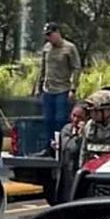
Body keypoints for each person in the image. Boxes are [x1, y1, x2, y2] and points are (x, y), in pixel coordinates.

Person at [33, 22, 82, 155]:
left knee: (61, 119)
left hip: (63, 89)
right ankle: (49, 147)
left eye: (50, 34)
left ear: (57, 32)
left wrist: (73, 88)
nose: (49, 38)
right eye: (47, 36)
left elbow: (76, 68)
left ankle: (62, 147)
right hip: (48, 89)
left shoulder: (69, 48)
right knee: (48, 120)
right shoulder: (47, 48)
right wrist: (38, 87)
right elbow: (42, 69)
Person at [54, 103, 87, 204]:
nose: (76, 120)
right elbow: (69, 146)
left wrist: (83, 134)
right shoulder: (67, 129)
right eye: (74, 115)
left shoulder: (89, 131)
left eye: (80, 117)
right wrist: (77, 135)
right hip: (66, 175)